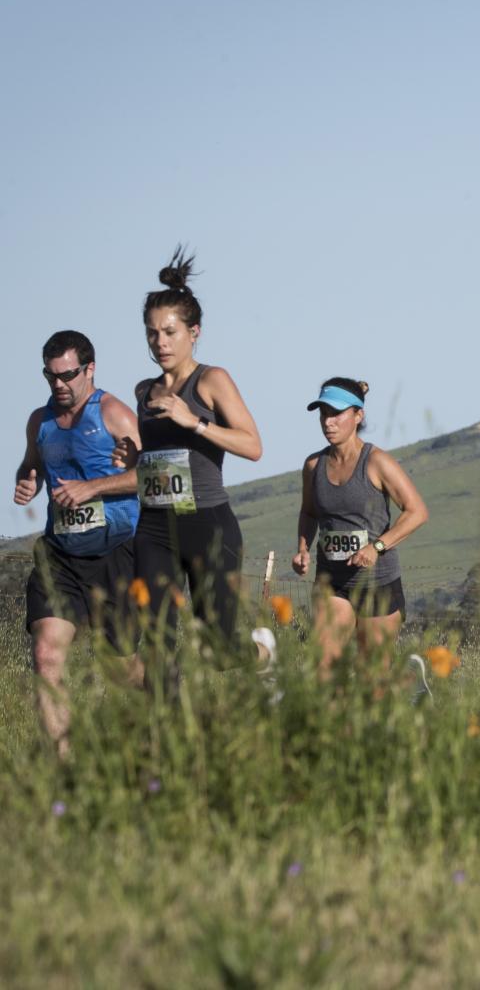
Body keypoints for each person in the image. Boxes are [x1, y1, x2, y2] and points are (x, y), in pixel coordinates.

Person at [114, 247, 271, 678]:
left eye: (170, 332)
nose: (160, 342)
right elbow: (161, 460)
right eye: (152, 333)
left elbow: (253, 446)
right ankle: (162, 720)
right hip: (154, 526)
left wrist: (195, 422)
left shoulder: (211, 380)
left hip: (207, 523)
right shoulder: (144, 391)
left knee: (218, 647)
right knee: (156, 640)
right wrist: (136, 459)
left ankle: (262, 656)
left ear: (193, 332)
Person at [14, 331, 141, 756]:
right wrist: (27, 480)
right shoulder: (40, 421)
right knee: (46, 658)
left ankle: (170, 689)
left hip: (114, 553)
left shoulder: (114, 414)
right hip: (60, 556)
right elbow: (31, 464)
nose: (59, 384)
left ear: (90, 369)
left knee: (121, 670)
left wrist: (92, 488)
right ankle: (63, 772)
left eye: (67, 375)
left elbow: (153, 475)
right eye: (51, 376)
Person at [293, 378, 429, 677]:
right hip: (332, 581)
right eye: (323, 414)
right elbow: (309, 511)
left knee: (373, 679)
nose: (328, 422)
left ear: (358, 415)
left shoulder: (377, 462)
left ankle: (409, 687)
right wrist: (303, 548)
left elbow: (417, 511)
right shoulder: (313, 465)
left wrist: (376, 547)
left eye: (336, 414)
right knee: (322, 668)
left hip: (377, 583)